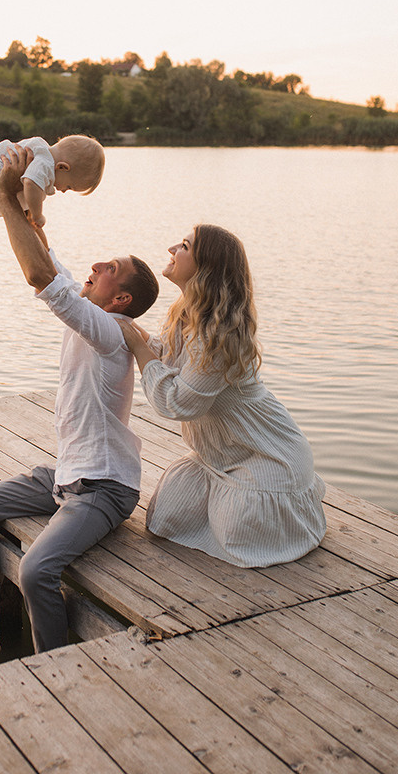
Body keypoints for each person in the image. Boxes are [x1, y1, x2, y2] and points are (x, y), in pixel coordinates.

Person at [0, 145, 159, 682]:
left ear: (120, 299)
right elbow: (49, 262)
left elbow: (39, 276)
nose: (95, 266)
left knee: (36, 570)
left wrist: (7, 200)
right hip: (66, 477)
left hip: (104, 489)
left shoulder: (109, 335)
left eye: (109, 269)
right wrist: (20, 197)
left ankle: (54, 677)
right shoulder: (93, 313)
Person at [120, 224, 326, 569]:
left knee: (240, 533)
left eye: (184, 245)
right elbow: (174, 366)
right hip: (220, 455)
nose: (172, 247)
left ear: (206, 268)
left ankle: (278, 517)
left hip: (268, 456)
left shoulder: (219, 333)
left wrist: (139, 348)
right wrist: (137, 335)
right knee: (164, 517)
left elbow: (178, 403)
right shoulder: (188, 316)